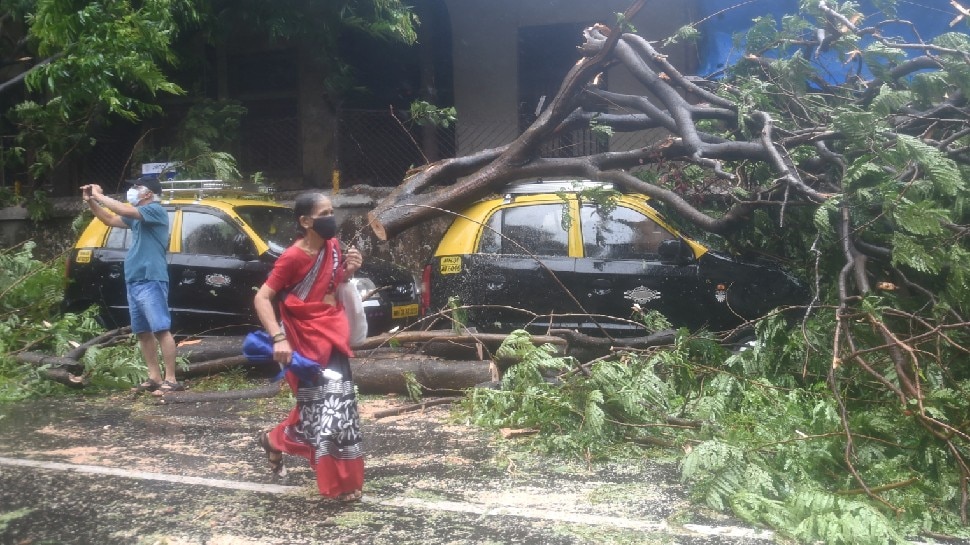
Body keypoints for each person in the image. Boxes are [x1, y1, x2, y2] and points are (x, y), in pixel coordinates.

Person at [252, 190, 365, 502]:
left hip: (333, 335)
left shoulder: (333, 246)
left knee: (339, 407)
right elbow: (262, 297)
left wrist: (350, 270)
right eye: (324, 213)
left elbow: (333, 283)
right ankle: (329, 476)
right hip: (305, 342)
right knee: (320, 409)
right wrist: (278, 337)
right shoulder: (291, 257)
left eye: (332, 211)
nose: (331, 218)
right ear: (305, 221)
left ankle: (278, 444)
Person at [81, 179, 182, 396]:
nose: (133, 191)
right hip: (134, 279)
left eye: (137, 188)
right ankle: (154, 377)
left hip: (151, 278)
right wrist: (91, 202)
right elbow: (109, 218)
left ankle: (171, 379)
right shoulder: (137, 216)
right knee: (143, 332)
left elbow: (121, 208)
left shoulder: (155, 210)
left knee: (161, 329)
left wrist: (99, 195)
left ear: (148, 194)